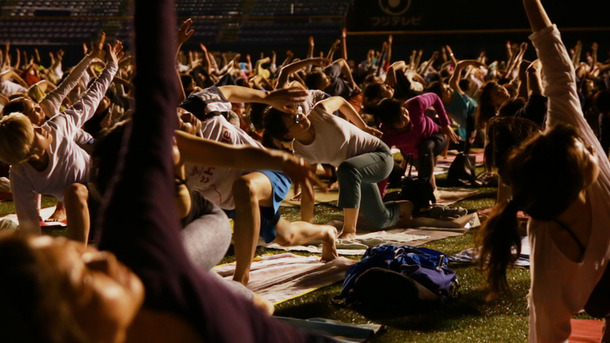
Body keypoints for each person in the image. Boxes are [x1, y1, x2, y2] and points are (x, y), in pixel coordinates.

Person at [0, 0, 336, 342]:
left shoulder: (145, 257)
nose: (101, 260)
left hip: (213, 206)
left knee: (206, 236)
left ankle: (243, 285)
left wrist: (280, 157)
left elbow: (162, 95)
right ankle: (315, 243)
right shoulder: (27, 178)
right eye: (85, 278)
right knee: (286, 236)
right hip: (217, 200)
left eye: (81, 250)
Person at [477, 1, 610, 342]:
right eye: (585, 152)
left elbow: (557, 63)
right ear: (575, 181)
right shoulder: (549, 260)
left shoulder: (562, 143)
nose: (589, 146)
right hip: (602, 291)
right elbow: (547, 333)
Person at [0, 40, 122, 244]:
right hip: (82, 205)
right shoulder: (19, 174)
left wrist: (111, 67)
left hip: (106, 181)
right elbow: (29, 223)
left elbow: (89, 100)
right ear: (27, 151)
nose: (41, 126)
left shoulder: (57, 126)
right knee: (74, 192)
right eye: (34, 130)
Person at [264, 96, 413, 239]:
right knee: (380, 220)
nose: (301, 117)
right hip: (357, 172)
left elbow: (341, 101)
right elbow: (308, 193)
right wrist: (306, 227)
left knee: (346, 169)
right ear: (288, 134)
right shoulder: (301, 151)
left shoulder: (318, 112)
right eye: (295, 120)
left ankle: (349, 230)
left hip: (380, 156)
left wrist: (363, 126)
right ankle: (405, 207)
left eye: (298, 112)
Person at [374, 93, 459, 197]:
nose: (406, 116)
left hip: (436, 138)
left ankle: (425, 191)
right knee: (425, 168)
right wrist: (380, 196)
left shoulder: (414, 105)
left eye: (403, 111)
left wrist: (445, 123)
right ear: (391, 125)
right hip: (413, 153)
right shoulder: (387, 134)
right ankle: (431, 189)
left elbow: (435, 97)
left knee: (426, 148)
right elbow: (384, 163)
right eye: (401, 118)